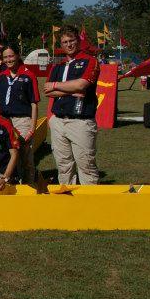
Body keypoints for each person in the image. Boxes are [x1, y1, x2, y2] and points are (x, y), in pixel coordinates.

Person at [45, 26, 101, 185]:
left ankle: (90, 202)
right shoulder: (58, 65)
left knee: (86, 165)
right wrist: (71, 89)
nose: (69, 45)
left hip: (81, 121)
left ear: (78, 41)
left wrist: (58, 86)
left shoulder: (90, 61)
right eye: (65, 42)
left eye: (71, 41)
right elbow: (48, 91)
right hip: (58, 120)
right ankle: (67, 201)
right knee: (63, 166)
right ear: (61, 45)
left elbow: (82, 85)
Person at [0, 45, 39, 183]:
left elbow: (34, 103)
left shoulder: (28, 75)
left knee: (25, 157)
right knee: (9, 155)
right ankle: (14, 186)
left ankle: (29, 186)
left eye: (11, 56)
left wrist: (32, 127)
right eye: (5, 57)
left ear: (18, 55)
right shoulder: (1, 77)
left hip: (22, 120)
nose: (8, 59)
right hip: (5, 121)